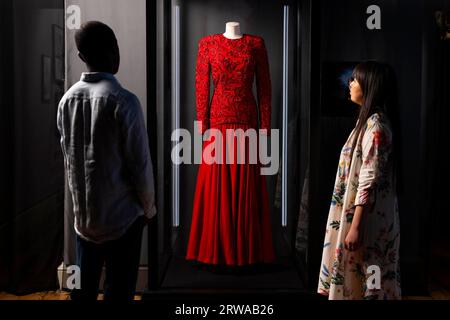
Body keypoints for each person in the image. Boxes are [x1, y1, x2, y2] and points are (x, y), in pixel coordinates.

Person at [57, 21, 156, 301]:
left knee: (84, 291)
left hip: (85, 221)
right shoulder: (124, 101)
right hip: (123, 220)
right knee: (119, 291)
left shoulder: (67, 101)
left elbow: (69, 160)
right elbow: (140, 165)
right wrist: (148, 209)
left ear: (81, 57)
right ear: (115, 50)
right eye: (113, 47)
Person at [318, 61, 401, 300]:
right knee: (363, 279)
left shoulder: (376, 126)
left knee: (370, 281)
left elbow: (369, 179)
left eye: (355, 79)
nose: (350, 83)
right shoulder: (368, 122)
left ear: (370, 86)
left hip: (367, 220)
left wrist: (355, 227)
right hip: (364, 216)